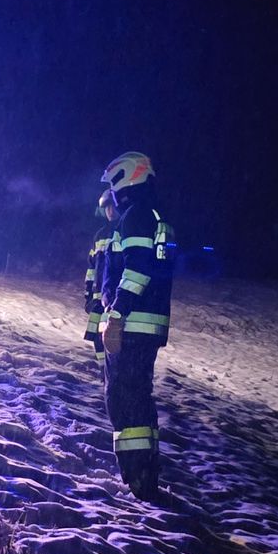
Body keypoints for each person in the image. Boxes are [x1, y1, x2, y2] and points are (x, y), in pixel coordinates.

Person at [99, 151, 175, 501]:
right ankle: (146, 472)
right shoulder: (154, 214)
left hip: (133, 323)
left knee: (124, 399)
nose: (112, 194)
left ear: (126, 179)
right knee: (139, 398)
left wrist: (117, 313)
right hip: (149, 324)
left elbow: (136, 270)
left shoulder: (136, 216)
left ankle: (138, 479)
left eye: (113, 185)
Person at [84, 190, 120, 374]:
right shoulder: (99, 235)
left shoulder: (123, 231)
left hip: (112, 298)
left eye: (113, 207)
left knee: (109, 339)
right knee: (97, 339)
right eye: (107, 208)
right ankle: (104, 373)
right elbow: (92, 267)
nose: (110, 211)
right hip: (98, 298)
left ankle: (110, 374)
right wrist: (88, 293)